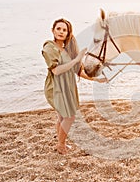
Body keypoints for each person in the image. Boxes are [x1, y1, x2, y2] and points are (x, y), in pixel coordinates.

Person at [42, 18, 106, 154]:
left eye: (64, 30)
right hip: (56, 87)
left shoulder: (67, 49)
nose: (61, 32)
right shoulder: (49, 48)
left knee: (62, 116)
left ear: (68, 33)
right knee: (69, 117)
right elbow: (56, 70)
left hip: (68, 87)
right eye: (58, 29)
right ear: (52, 30)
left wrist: (95, 79)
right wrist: (76, 60)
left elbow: (78, 71)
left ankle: (60, 144)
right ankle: (61, 145)